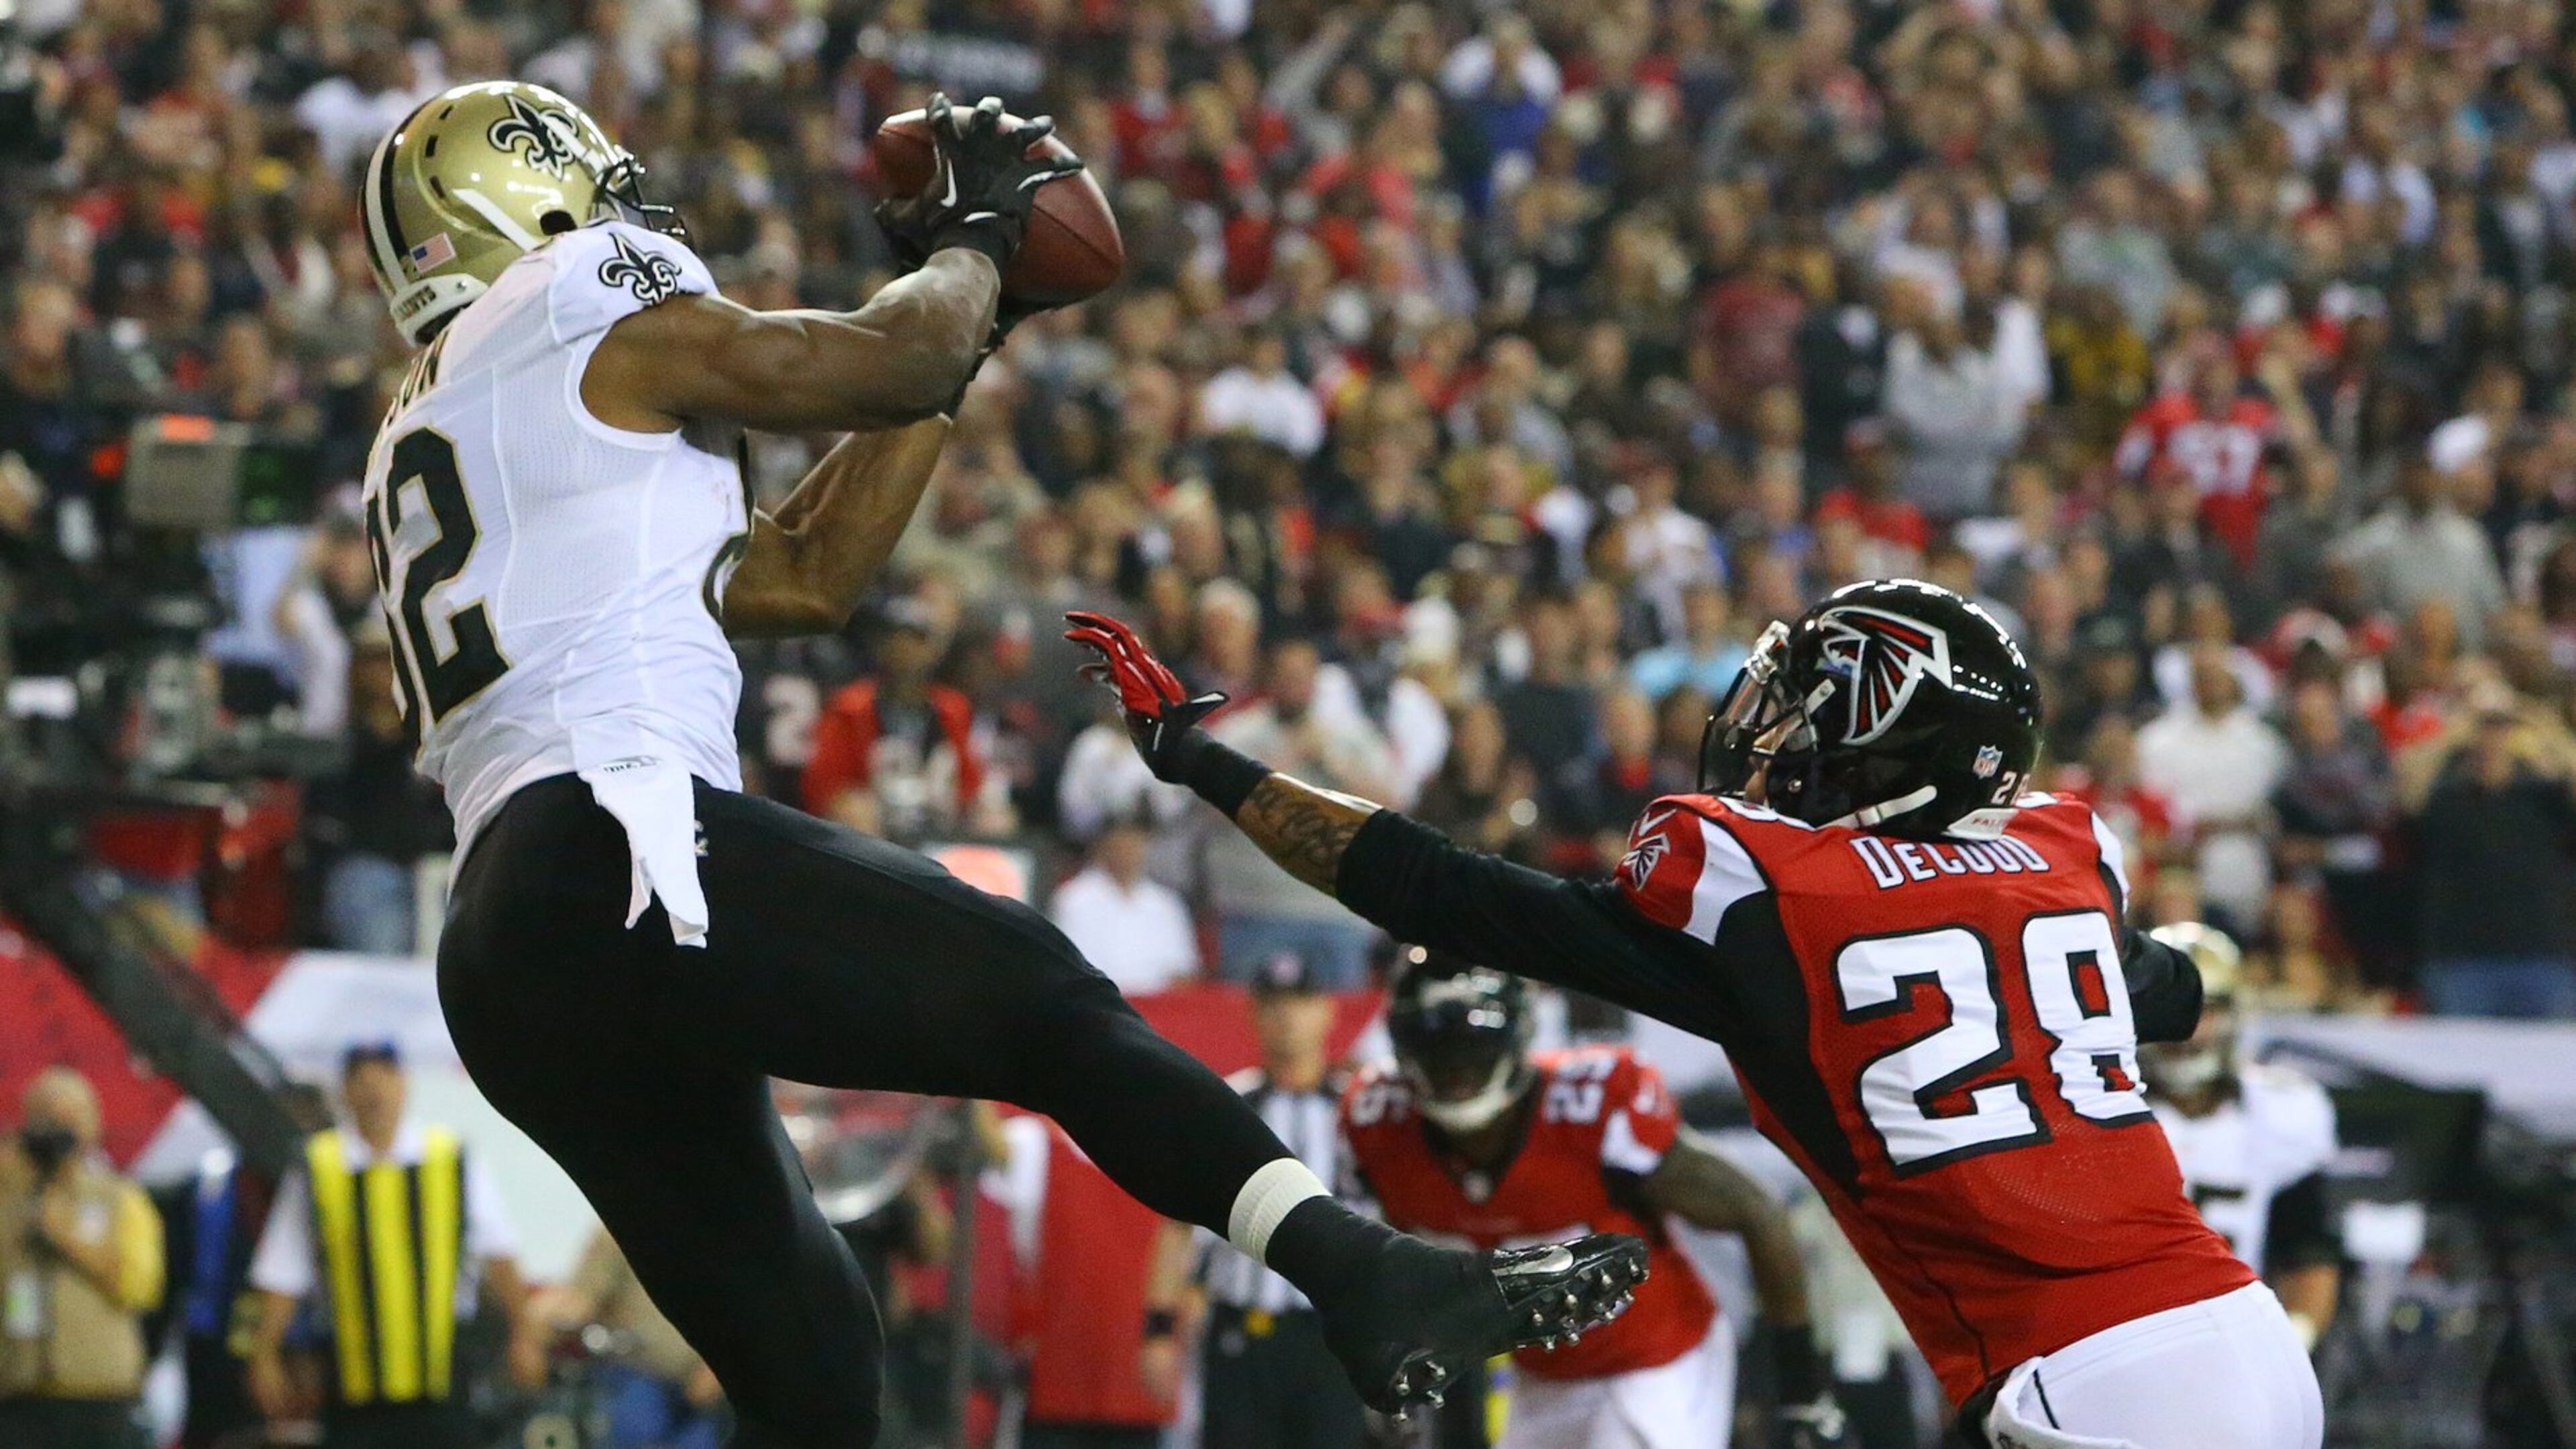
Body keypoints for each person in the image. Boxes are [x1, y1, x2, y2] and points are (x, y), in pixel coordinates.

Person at [355, 81, 1638, 1446]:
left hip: (509, 947)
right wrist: (966, 245)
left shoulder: (442, 420)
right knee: (1042, 994)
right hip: (612, 836)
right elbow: (879, 362)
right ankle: (1363, 1274)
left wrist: (985, 314)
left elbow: (801, 577)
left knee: (817, 1368)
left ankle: (1364, 1276)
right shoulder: (571, 296)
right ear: (528, 193)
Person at [1066, 577, 2322, 1449]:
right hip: (2241, 1332)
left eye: (1820, 716)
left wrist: (1207, 765)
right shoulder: (2059, 858)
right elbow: (2172, 988)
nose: (1780, 742)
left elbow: (1437, 889)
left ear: (1896, 749)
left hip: (2083, 1370)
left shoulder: (1781, 902)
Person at [1345, 955, 1848, 1449]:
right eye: (1437, 1049)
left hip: (1653, 1365)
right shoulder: (1380, 1129)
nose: (1456, 1070)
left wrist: (1802, 1392)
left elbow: (1756, 1211)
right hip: (1541, 1376)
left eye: (1472, 1048)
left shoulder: (1593, 1110)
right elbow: (1394, 1276)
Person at [245, 1041, 545, 1449]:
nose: (375, 1094)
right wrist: (265, 1353)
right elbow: (285, 1270)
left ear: (404, 1087)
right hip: (353, 1377)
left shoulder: (448, 1159)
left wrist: (523, 1332)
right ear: (345, 1092)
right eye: (363, 1083)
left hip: (440, 1372)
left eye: (384, 1081)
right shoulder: (320, 1168)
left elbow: (499, 1253)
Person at [1139, 951, 1368, 1449]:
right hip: (1244, 1332)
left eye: (1300, 1001)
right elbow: (1177, 1225)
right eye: (1273, 1004)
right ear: (1253, 1014)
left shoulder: (1359, 1110)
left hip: (1333, 1338)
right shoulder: (1228, 1106)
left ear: (1328, 1011)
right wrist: (1158, 1330)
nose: (1287, 1017)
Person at [2141, 926, 2342, 1356]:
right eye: (2168, 1011)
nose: (2187, 1031)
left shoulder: (2282, 1111)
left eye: (2206, 1011)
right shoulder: (2096, 1109)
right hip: (2118, 1341)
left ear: (2235, 1017)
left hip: (2240, 1344)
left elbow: (2309, 1252)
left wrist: (2291, 1345)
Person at [0, 1067, 164, 1449]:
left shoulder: (120, 1197)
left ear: (94, 1123)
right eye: (47, 1116)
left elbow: (142, 1288)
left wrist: (67, 1236)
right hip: (19, 1396)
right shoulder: (8, 1198)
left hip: (99, 1394)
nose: (59, 1128)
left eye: (71, 1116)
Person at [543, 1228, 723, 1449]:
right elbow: (581, 1301)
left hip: (700, 1391)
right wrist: (538, 1320)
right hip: (632, 1373)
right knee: (634, 1427)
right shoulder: (622, 1224)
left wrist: (720, 1371)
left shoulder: (727, 1240)